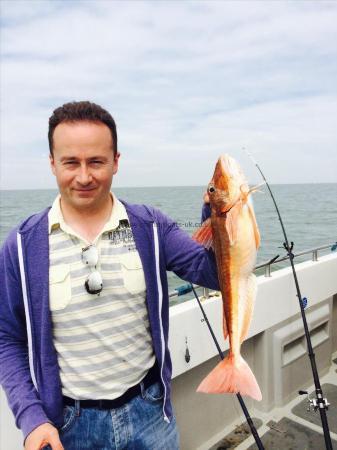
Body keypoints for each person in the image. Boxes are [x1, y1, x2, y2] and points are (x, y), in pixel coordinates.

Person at [0, 101, 219, 450]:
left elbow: (213, 274)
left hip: (150, 414)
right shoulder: (22, 245)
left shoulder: (150, 226)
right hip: (69, 425)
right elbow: (6, 337)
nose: (84, 176)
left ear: (116, 161)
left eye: (97, 162)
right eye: (71, 162)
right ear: (52, 163)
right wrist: (31, 417)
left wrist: (219, 216)